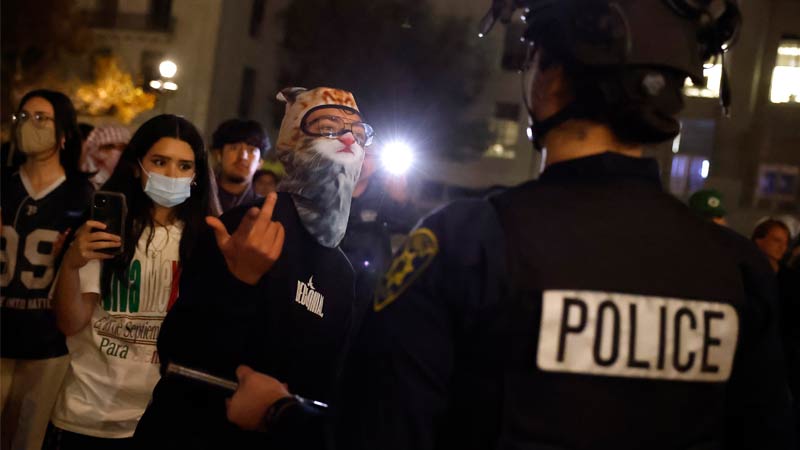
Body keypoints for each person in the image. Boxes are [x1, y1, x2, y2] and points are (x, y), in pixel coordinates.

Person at [226, 1, 796, 449]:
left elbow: (378, 433)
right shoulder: (739, 269)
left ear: (548, 81)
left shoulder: (465, 243)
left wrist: (278, 413)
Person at [133, 86, 373, 449]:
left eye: (358, 132)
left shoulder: (343, 272)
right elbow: (178, 352)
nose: (347, 140)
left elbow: (325, 387)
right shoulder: (247, 225)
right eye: (327, 127)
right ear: (292, 141)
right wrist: (239, 282)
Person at [40, 115, 212, 449]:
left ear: (196, 175)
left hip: (160, 418)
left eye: (184, 166)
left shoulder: (204, 242)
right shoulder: (108, 230)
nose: (171, 174)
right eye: (159, 162)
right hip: (86, 412)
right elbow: (71, 322)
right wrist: (72, 264)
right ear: (136, 166)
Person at [0, 90, 94, 450]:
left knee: (28, 440)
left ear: (64, 132)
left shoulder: (80, 195)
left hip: (47, 342)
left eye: (42, 118)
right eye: (23, 117)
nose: (30, 125)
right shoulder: (5, 183)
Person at [340, 146, 417, 309]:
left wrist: (400, 200)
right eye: (357, 153)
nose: (361, 160)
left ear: (377, 162)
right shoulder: (329, 187)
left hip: (369, 284)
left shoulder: (384, 194)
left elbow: (409, 225)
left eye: (367, 156)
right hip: (331, 273)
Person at [211, 119, 271, 213]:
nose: (243, 156)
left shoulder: (265, 210)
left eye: (251, 150)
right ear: (218, 155)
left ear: (260, 163)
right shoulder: (196, 199)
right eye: (234, 148)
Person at [79, 124, 132, 189]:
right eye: (108, 147)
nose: (115, 152)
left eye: (122, 148)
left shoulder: (132, 180)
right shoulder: (84, 182)